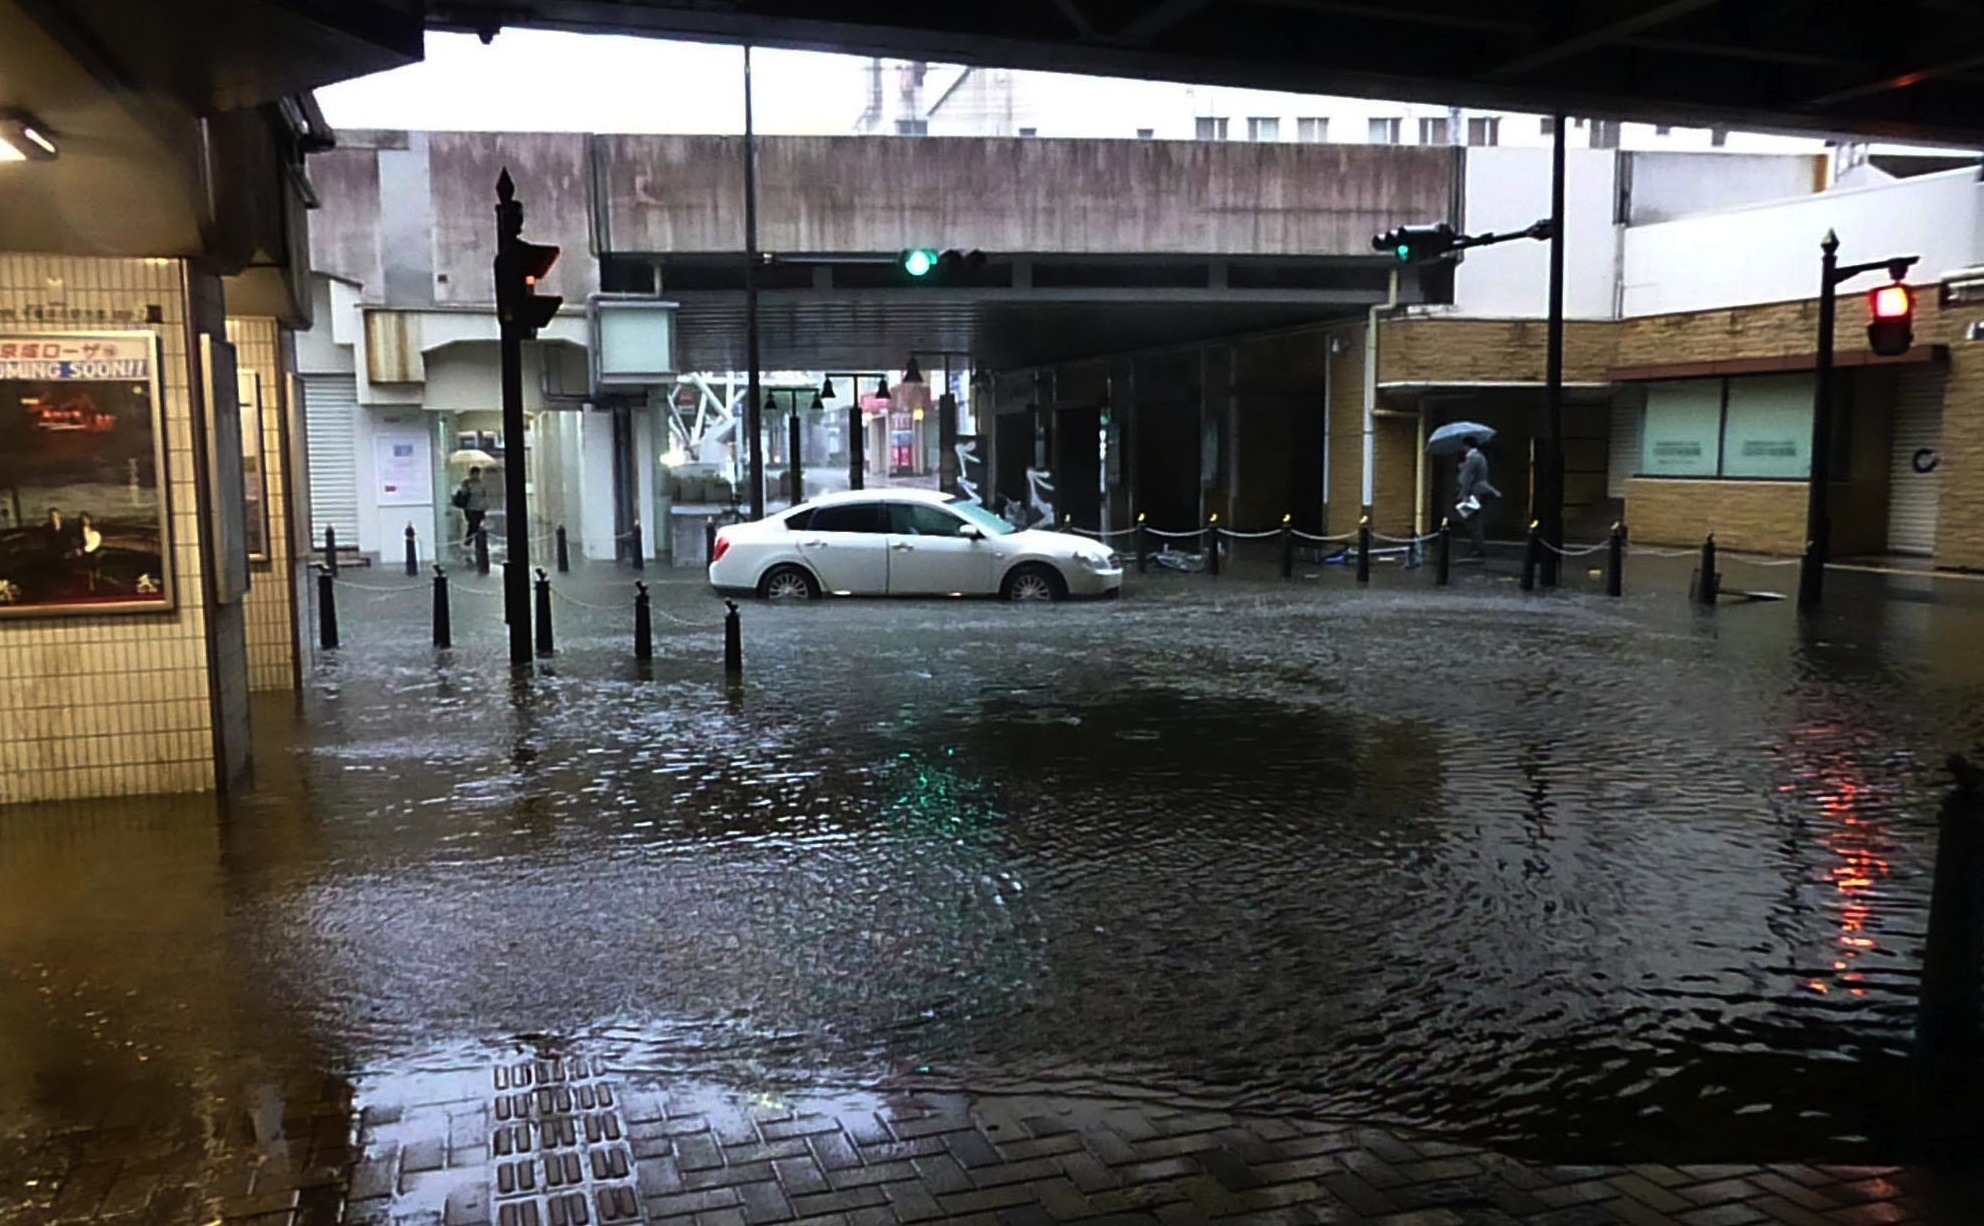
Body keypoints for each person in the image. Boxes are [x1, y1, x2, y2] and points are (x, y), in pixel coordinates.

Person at [1455, 437, 1501, 559]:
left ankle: (1477, 547)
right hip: (1479, 491)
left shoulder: (1472, 459)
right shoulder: (1480, 457)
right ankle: (1477, 546)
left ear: (1467, 445)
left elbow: (1467, 478)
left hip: (1472, 494)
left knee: (1472, 522)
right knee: (1475, 520)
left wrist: (1463, 495)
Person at [454, 466, 490, 547]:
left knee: (476, 525)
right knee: (472, 524)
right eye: (474, 474)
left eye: (477, 474)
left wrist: (485, 505)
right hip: (470, 507)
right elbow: (463, 494)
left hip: (480, 507)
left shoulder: (482, 483)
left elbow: (485, 495)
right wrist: (468, 488)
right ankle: (468, 541)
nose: (476, 476)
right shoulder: (466, 482)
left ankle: (473, 542)